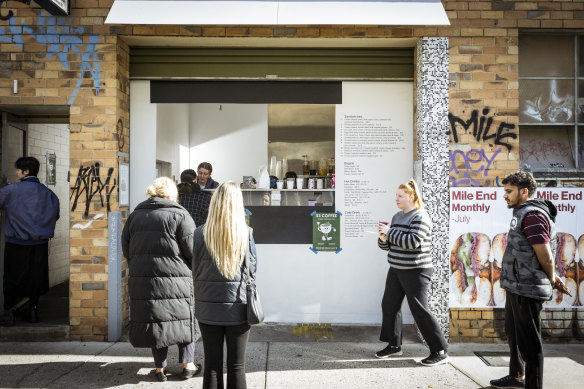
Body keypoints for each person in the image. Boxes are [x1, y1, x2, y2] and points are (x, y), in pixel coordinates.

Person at [490, 171, 568, 389]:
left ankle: (533, 386)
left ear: (524, 191)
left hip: (528, 288)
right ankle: (516, 376)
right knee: (514, 335)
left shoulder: (533, 216)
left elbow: (545, 255)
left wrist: (552, 277)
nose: (505, 195)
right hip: (516, 286)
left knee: (530, 344)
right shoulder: (522, 212)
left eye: (509, 191)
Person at [122, 177, 201, 382]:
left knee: (157, 320)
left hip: (146, 279)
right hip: (178, 279)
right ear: (171, 194)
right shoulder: (180, 215)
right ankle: (188, 365)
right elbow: (192, 250)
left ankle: (160, 369)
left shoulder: (135, 216)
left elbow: (126, 248)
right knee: (184, 318)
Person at [376, 179, 449, 366]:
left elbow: (412, 242)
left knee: (419, 309)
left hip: (416, 270)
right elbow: (389, 246)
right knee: (389, 305)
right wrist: (383, 238)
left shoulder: (421, 217)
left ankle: (439, 350)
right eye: (396, 196)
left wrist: (390, 232)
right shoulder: (397, 216)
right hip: (396, 268)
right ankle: (394, 346)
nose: (396, 199)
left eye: (400, 196)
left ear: (411, 196)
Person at [193, 181, 257, 389]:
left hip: (207, 306)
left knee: (212, 365)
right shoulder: (245, 233)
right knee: (237, 366)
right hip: (238, 307)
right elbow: (253, 269)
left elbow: (194, 268)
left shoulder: (199, 233)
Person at [0, 157, 60, 325]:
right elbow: (55, 215)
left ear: (26, 172)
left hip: (16, 243)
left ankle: (9, 313)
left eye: (19, 169)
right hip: (39, 244)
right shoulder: (48, 194)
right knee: (36, 278)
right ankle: (33, 311)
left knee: (12, 279)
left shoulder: (11, 190)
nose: (17, 172)